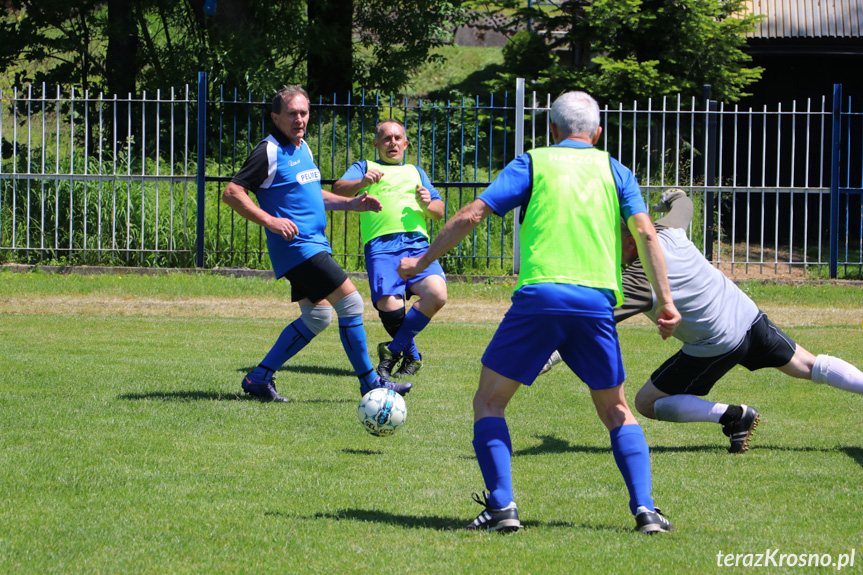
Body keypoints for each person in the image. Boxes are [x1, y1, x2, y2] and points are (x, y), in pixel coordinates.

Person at [398, 91, 682, 534]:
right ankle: (646, 511)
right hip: (595, 303)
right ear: (598, 133)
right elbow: (646, 233)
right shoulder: (616, 170)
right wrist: (666, 301)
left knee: (489, 401)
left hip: (540, 298)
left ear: (552, 129)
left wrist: (419, 263)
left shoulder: (533, 162)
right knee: (616, 410)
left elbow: (473, 215)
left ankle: (502, 508)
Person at [544, 189, 863, 453]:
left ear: (630, 242)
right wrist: (673, 195)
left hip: (718, 341)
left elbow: (590, 323)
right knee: (807, 365)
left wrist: (549, 354)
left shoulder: (639, 278)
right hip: (746, 313)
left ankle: (734, 416)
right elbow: (684, 204)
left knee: (647, 402)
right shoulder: (666, 229)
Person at [222, 85, 412, 402]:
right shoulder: (268, 151)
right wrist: (270, 220)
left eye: (304, 112)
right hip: (298, 248)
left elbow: (314, 195)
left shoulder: (303, 149)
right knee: (351, 303)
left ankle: (259, 378)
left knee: (318, 317)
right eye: (292, 113)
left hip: (314, 245)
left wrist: (351, 204)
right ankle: (371, 383)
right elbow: (233, 192)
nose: (300, 119)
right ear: (275, 117)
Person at [332, 120, 447, 380]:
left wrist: (428, 203)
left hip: (417, 245)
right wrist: (361, 182)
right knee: (390, 308)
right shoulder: (365, 166)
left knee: (437, 295)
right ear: (376, 144)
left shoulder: (416, 171)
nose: (392, 143)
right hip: (381, 247)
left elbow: (439, 212)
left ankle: (392, 350)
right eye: (386, 138)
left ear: (405, 144)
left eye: (398, 139)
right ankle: (413, 356)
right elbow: (337, 189)